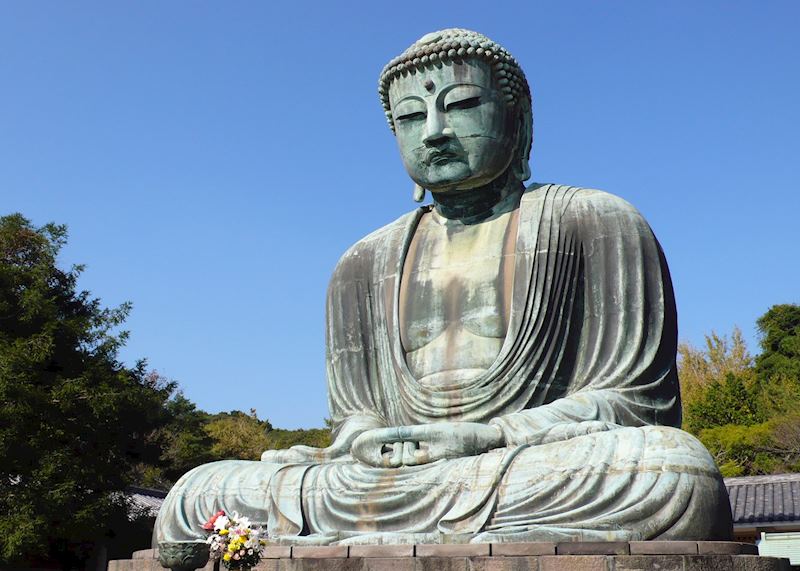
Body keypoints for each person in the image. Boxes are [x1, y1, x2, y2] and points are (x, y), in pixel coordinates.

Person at [154, 29, 732, 565]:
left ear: (518, 120)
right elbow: (355, 420)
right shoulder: (361, 264)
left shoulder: (595, 221)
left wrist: (490, 434)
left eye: (459, 106)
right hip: (391, 480)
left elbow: (634, 404)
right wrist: (367, 443)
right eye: (410, 117)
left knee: (673, 471)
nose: (433, 130)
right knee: (196, 493)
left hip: (523, 461)